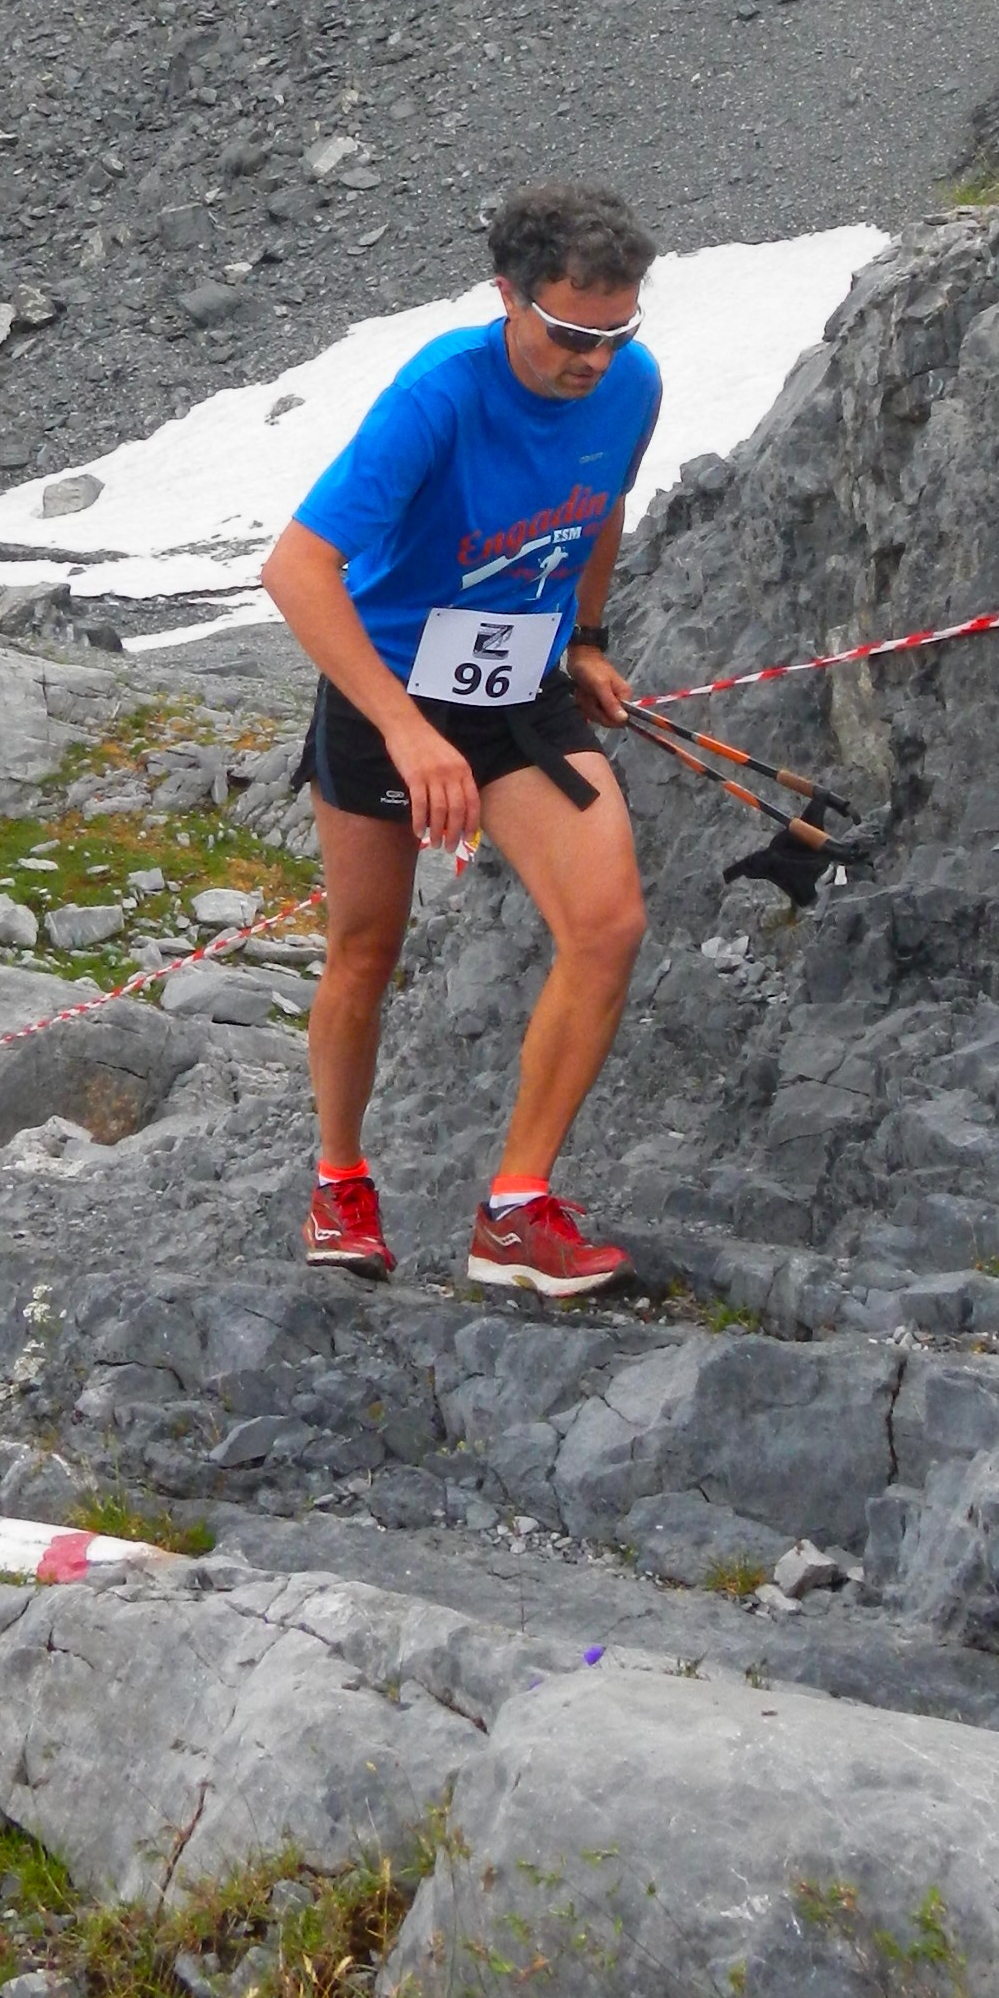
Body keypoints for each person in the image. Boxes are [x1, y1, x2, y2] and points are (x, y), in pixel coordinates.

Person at [260, 183, 661, 1295]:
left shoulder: (630, 383)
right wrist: (405, 731)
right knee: (366, 948)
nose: (595, 359)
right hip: (388, 686)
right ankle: (340, 1179)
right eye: (571, 334)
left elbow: (603, 501)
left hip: (519, 685)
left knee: (608, 923)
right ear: (508, 297)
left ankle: (515, 1211)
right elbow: (296, 569)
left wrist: (588, 637)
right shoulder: (436, 394)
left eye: (617, 331)